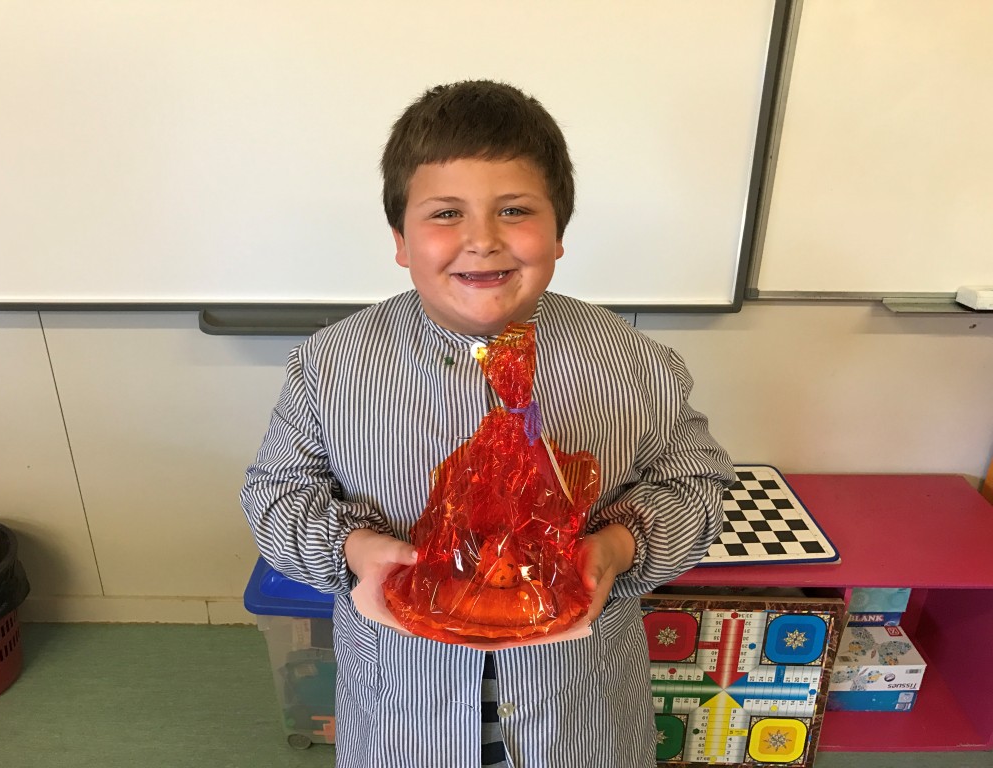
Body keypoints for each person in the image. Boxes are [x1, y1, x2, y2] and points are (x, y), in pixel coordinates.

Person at [241, 79, 734, 768]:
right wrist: (354, 550)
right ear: (400, 240)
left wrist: (619, 547)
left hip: (579, 706)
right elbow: (276, 496)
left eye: (514, 210)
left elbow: (696, 487)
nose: (481, 240)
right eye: (446, 213)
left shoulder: (636, 364)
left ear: (558, 233)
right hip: (404, 704)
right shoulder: (330, 365)